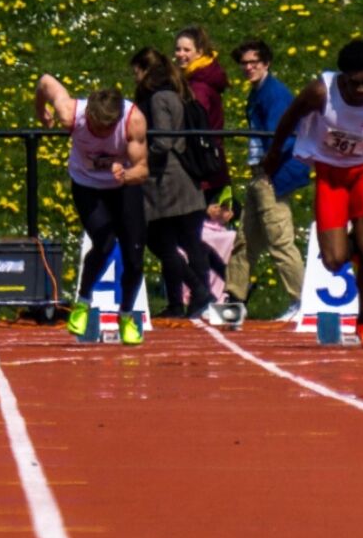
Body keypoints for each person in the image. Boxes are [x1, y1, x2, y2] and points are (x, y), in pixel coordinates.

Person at [262, 39, 363, 349]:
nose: (361, 91)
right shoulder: (320, 92)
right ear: (342, 78)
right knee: (333, 260)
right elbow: (288, 118)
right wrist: (275, 152)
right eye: (354, 84)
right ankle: (353, 244)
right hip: (330, 174)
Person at [35, 74, 149, 345]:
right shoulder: (70, 114)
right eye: (96, 126)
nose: (100, 133)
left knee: (134, 256)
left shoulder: (133, 120)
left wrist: (127, 175)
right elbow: (45, 82)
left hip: (123, 186)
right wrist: (40, 110)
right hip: (87, 185)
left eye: (106, 129)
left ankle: (126, 317)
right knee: (105, 242)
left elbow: (143, 169)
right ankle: (83, 303)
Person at [131, 47, 218, 324]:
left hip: (167, 180)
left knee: (161, 241)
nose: (134, 78)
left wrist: (140, 159)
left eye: (135, 71)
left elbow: (164, 140)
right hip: (182, 178)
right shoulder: (179, 92)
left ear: (144, 70)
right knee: (187, 241)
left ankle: (194, 293)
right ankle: (184, 300)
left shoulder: (158, 99)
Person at [226, 38, 310, 320]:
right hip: (258, 174)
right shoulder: (256, 92)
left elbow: (281, 136)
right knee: (245, 241)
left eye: (254, 62)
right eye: (245, 63)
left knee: (280, 240)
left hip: (271, 175)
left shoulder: (273, 93)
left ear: (266, 63)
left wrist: (268, 168)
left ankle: (302, 301)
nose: (248, 67)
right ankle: (233, 303)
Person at [172, 25, 232, 202]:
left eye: (186, 50)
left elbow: (198, 122)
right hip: (211, 161)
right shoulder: (196, 78)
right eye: (178, 49)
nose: (180, 54)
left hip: (202, 165)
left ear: (199, 52)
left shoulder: (198, 85)